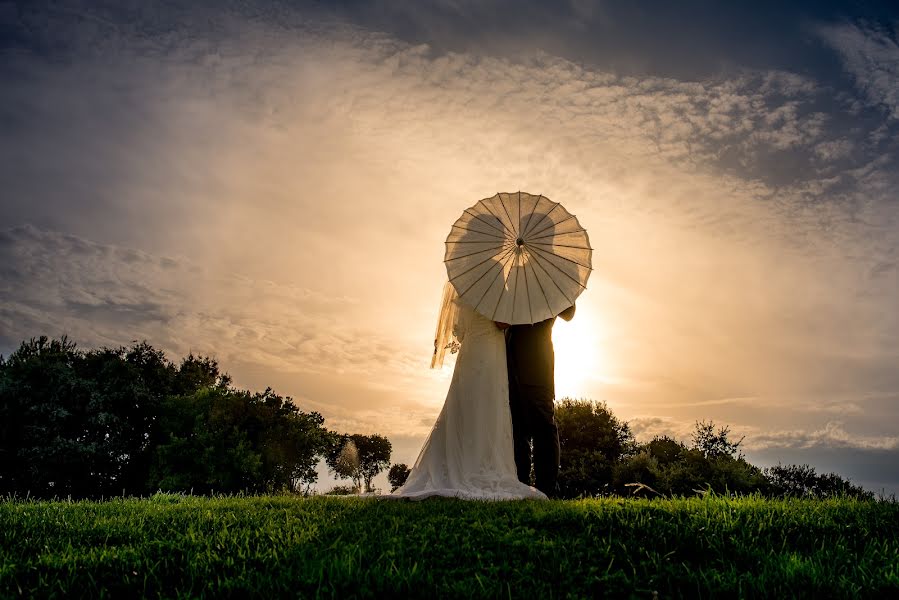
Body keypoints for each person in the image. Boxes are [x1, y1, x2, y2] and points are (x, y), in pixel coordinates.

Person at [391, 281, 546, 500]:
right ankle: (479, 467)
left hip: (472, 348)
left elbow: (460, 330)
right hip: (490, 351)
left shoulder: (466, 282)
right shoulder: (493, 280)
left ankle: (461, 464)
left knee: (465, 406)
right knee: (486, 407)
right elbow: (501, 322)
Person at [504, 303, 576, 497]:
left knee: (544, 427)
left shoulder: (548, 286)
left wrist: (543, 302)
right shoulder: (513, 283)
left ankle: (547, 488)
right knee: (517, 431)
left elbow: (569, 312)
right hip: (510, 365)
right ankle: (521, 484)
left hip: (538, 365)